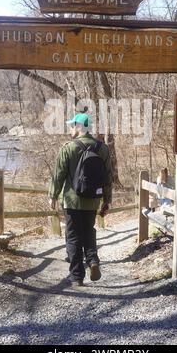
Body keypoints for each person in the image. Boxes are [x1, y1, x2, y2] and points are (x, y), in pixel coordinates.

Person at [48, 113, 112, 287]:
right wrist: (107, 200)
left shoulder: (68, 148)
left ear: (79, 126)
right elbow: (108, 178)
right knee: (89, 231)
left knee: (74, 236)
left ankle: (76, 276)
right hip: (93, 200)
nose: (70, 128)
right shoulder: (102, 148)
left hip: (72, 200)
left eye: (71, 125)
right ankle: (93, 261)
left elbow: (58, 175)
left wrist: (52, 195)